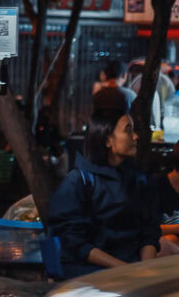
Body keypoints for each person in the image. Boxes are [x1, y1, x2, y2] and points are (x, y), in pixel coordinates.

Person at [48, 108, 162, 279]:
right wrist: (127, 270)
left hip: (131, 271)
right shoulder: (78, 181)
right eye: (128, 130)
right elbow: (74, 242)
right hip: (87, 274)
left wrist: (145, 271)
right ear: (108, 140)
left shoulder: (138, 179)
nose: (135, 136)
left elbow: (149, 230)